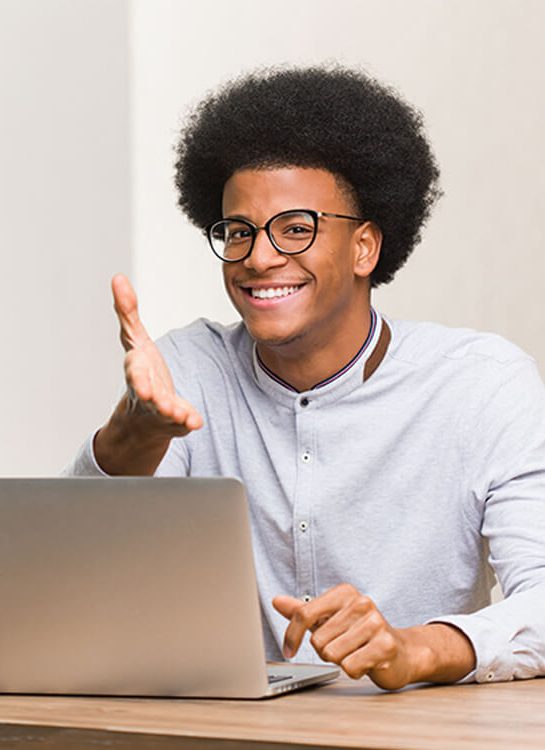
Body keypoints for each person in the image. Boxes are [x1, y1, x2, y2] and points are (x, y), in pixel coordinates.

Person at [65, 65, 545, 690]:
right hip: (227, 730)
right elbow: (74, 585)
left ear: (364, 247)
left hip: (418, 728)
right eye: (239, 232)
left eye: (296, 229)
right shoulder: (187, 371)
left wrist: (415, 649)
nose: (259, 257)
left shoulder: (482, 386)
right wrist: (132, 436)